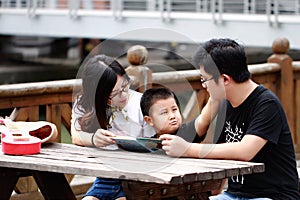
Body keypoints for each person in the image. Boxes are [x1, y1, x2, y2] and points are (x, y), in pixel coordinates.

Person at [159, 38, 300, 199]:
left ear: (225, 79)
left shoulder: (266, 104)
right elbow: (194, 132)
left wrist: (187, 149)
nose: (204, 85)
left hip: (274, 195)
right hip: (235, 194)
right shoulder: (226, 102)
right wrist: (213, 102)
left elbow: (245, 150)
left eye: (205, 79)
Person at [71, 54, 155, 200]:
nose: (123, 95)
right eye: (115, 94)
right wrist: (93, 138)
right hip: (105, 178)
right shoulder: (84, 105)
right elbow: (76, 136)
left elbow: (155, 144)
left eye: (125, 86)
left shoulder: (141, 103)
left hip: (136, 178)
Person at [140, 87, 216, 143]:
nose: (172, 116)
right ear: (149, 120)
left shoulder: (187, 132)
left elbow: (203, 120)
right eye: (164, 113)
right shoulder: (150, 143)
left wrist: (214, 94)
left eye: (174, 109)